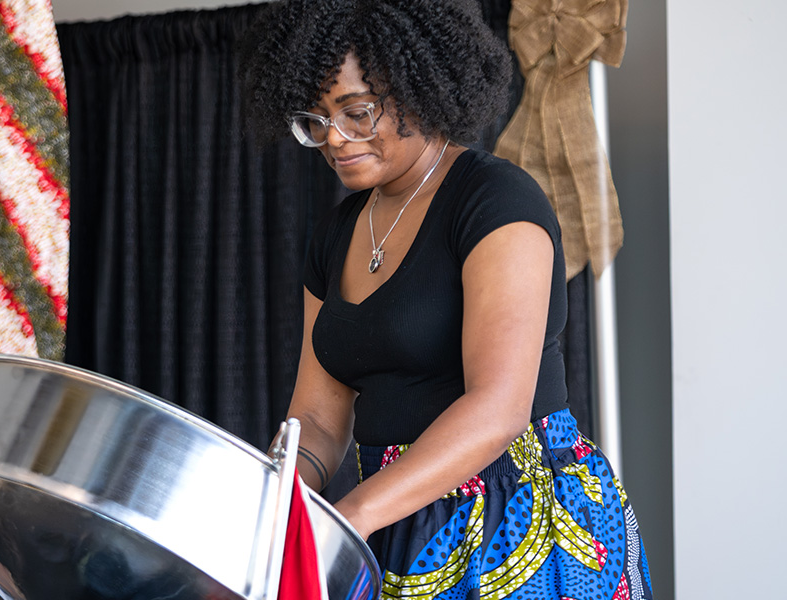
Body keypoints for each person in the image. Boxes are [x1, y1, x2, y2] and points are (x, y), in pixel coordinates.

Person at [239, 1, 652, 599]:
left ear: (417, 89)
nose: (334, 139)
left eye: (356, 113)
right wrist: (283, 503)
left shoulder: (495, 199)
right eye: (316, 119)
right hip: (393, 514)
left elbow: (498, 407)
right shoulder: (334, 235)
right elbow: (319, 420)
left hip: (521, 519)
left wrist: (347, 517)